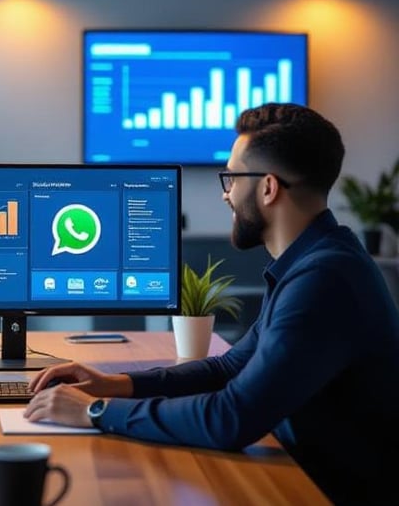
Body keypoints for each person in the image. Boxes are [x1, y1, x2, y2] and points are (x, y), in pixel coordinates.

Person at [24, 103, 399, 505]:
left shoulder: (324, 279)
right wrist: (115, 384)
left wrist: (96, 411)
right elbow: (231, 367)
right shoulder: (314, 261)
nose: (226, 194)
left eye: (232, 178)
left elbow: (231, 418)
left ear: (268, 187)